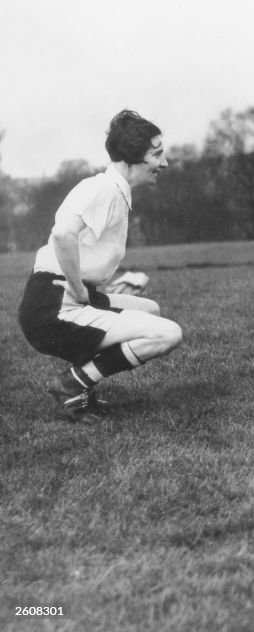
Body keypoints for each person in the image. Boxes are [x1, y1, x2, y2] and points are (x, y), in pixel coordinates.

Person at [18, 110, 183, 424]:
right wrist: (80, 289)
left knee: (150, 310)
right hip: (51, 309)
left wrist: (111, 281)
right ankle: (73, 384)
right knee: (169, 334)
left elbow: (81, 251)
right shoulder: (104, 188)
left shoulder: (116, 190)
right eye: (156, 154)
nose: (164, 163)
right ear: (133, 157)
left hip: (59, 297)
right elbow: (62, 235)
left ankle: (79, 383)